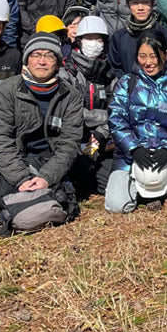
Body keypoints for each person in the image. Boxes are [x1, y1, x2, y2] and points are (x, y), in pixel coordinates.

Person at [0, 32, 84, 229]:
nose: (42, 61)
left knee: (61, 198)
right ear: (27, 60)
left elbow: (69, 144)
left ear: (58, 63)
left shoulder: (71, 96)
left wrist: (46, 178)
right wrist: (22, 178)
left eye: (49, 55)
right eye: (36, 54)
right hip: (17, 161)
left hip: (51, 162)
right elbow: (0, 140)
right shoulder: (7, 90)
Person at [106, 30, 167, 212]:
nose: (148, 62)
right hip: (130, 157)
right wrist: (134, 149)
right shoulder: (127, 83)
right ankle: (142, 191)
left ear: (166, 54)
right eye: (142, 56)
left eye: (154, 56)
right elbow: (116, 119)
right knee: (117, 206)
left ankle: (160, 189)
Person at [62, 16, 116, 197]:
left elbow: (116, 112)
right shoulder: (66, 73)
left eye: (98, 39)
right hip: (73, 139)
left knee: (111, 185)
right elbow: (68, 111)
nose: (94, 43)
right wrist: (87, 132)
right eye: (89, 38)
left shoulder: (109, 75)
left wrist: (101, 134)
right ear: (79, 41)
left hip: (102, 141)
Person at [107, 0, 167, 79]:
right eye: (135, 3)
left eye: (145, 2)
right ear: (128, 5)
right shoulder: (118, 37)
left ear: (153, 4)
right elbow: (115, 69)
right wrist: (129, 84)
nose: (140, 7)